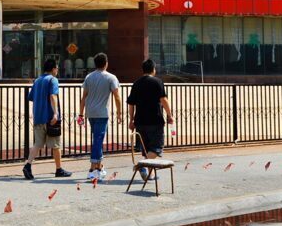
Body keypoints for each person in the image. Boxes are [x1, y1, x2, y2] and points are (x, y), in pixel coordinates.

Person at [23, 59, 72, 180]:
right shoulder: (52, 80)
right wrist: (56, 113)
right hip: (50, 118)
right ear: (53, 69)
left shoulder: (38, 80)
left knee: (38, 144)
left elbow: (31, 97)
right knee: (55, 144)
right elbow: (53, 96)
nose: (58, 70)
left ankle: (28, 165)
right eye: (57, 67)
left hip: (38, 117)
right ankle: (59, 169)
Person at [127, 59, 174, 182]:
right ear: (153, 69)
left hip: (140, 120)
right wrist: (170, 115)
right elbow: (163, 100)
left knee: (146, 148)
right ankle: (141, 166)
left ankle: (149, 174)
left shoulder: (136, 83)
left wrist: (131, 120)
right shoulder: (157, 82)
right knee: (156, 148)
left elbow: (131, 104)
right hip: (155, 119)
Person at [78, 53, 122, 181]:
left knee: (97, 138)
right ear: (106, 63)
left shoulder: (89, 77)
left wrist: (81, 113)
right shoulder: (111, 77)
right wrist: (119, 112)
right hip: (102, 112)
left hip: (90, 112)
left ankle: (100, 166)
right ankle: (93, 169)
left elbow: (83, 97)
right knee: (98, 139)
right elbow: (117, 97)